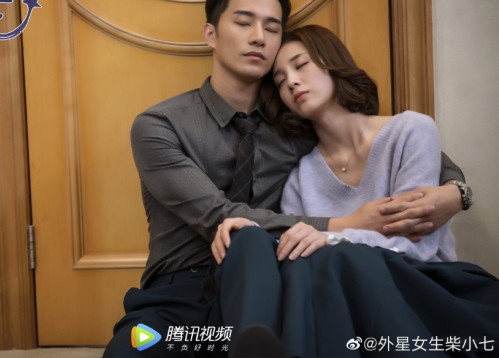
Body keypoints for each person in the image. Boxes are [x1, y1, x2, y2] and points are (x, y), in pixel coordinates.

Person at [103, 0, 466, 357]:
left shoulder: (294, 124)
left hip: (268, 287)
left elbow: (390, 139)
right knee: (131, 351)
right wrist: (347, 223)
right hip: (181, 294)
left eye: (272, 28)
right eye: (244, 22)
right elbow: (218, 216)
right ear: (211, 34)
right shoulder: (160, 125)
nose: (259, 37)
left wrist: (456, 192)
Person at [210, 25, 497, 357]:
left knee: (339, 257)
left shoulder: (411, 130)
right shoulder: (300, 178)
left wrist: (333, 239)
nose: (291, 82)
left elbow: (417, 245)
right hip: (341, 306)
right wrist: (250, 230)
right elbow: (296, 256)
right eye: (280, 80)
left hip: (422, 286)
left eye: (301, 65)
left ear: (332, 63)